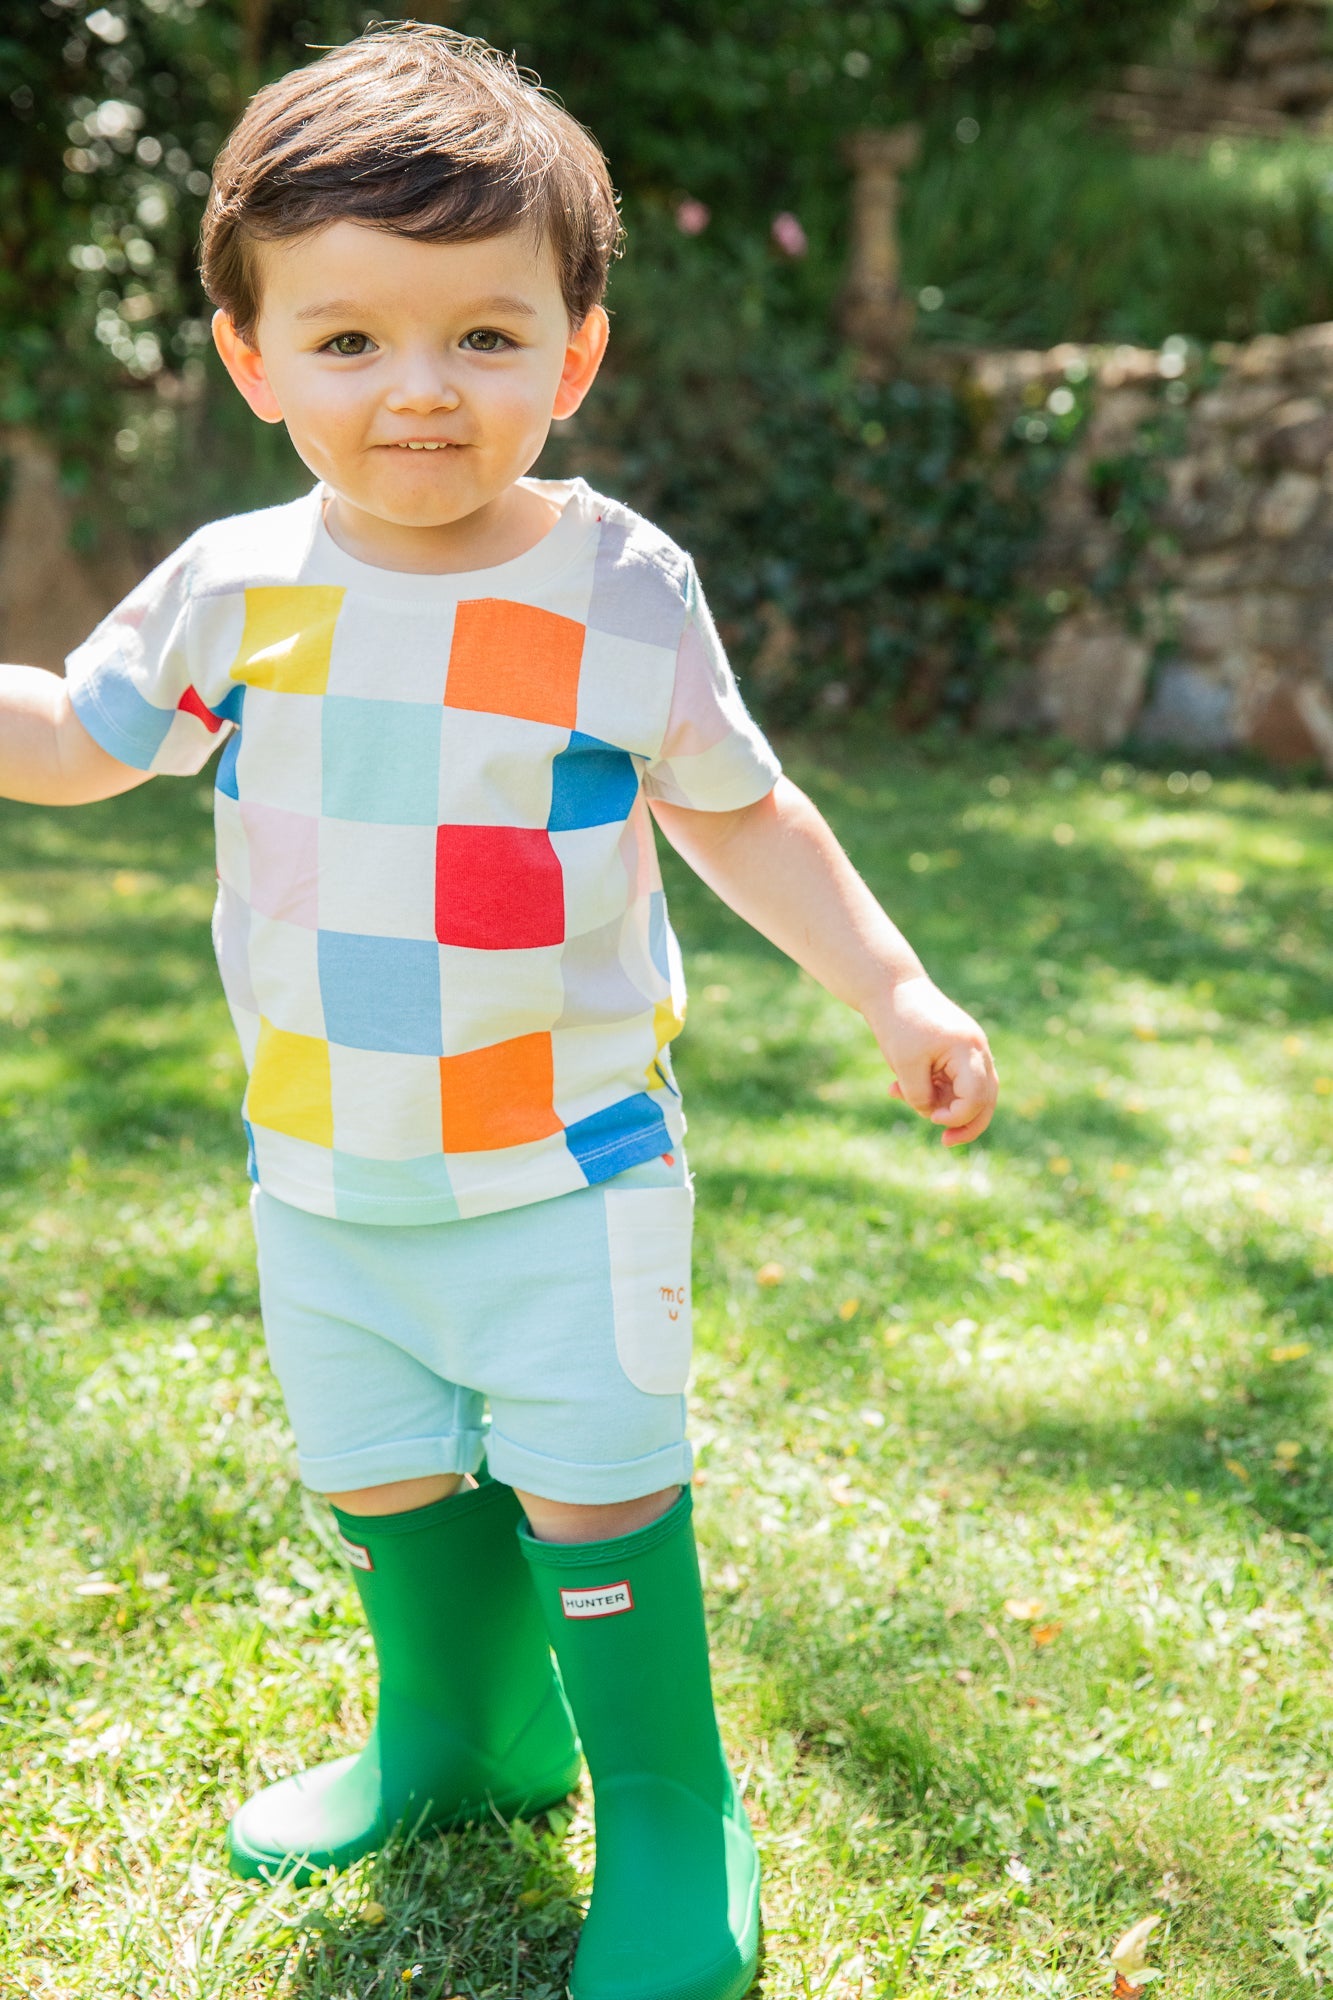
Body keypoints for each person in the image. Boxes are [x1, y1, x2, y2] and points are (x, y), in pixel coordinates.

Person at [0, 25, 998, 2000]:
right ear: (253, 359)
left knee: (595, 1483)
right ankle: (458, 1735)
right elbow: (77, 745)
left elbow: (741, 810)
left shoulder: (619, 588)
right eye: (351, 340)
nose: (421, 393)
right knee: (374, 1471)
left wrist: (887, 980)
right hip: (325, 1171)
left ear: (574, 352)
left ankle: (661, 1794)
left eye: (482, 336)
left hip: (569, 1172)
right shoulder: (233, 586)